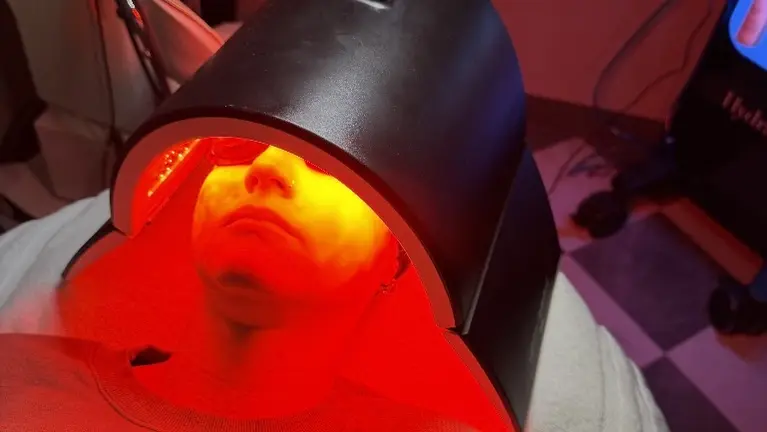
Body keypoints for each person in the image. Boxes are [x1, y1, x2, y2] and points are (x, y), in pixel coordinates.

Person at [0, 140, 477, 431]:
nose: (266, 168)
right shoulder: (16, 374)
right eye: (236, 147)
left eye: (331, 161)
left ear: (396, 255)